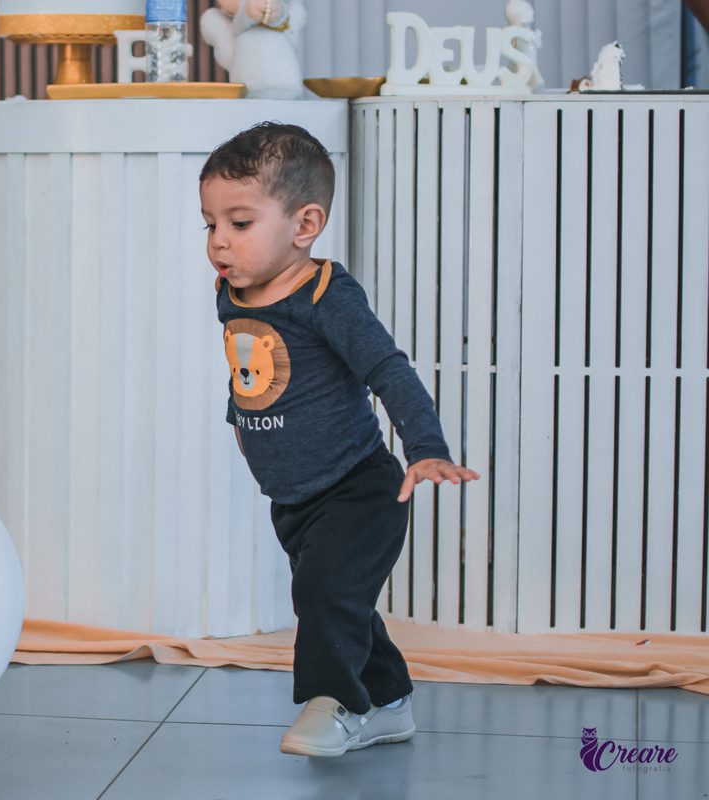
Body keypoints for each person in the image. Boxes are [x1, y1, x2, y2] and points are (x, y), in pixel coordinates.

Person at [201, 122, 479, 757]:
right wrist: (238, 421)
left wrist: (426, 447)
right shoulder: (234, 289)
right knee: (342, 603)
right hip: (293, 494)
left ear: (305, 225)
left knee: (323, 594)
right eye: (210, 224)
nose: (219, 242)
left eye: (239, 223)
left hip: (359, 487)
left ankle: (334, 707)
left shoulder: (328, 297)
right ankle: (390, 700)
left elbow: (388, 369)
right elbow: (248, 366)